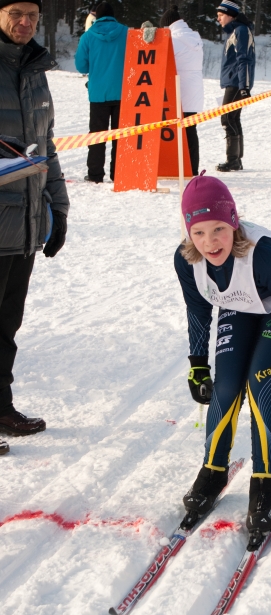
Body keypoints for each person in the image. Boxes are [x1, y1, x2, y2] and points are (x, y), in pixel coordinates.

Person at [174, 172, 271, 547]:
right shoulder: (188, 262)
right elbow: (198, 314)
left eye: (218, 230)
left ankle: (265, 484)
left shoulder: (262, 254)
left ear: (234, 222)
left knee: (261, 378)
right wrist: (197, 364)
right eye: (199, 233)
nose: (210, 242)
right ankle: (212, 472)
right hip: (241, 304)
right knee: (227, 386)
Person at [0, 0, 69, 454]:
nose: (25, 23)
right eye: (14, 13)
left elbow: (47, 147)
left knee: (6, 326)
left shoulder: (35, 71)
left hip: (24, 225)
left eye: (32, 15)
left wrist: (59, 210)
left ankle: (1, 408)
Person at [75, 1, 128, 183]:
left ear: (96, 16)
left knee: (97, 135)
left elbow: (81, 66)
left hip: (98, 93)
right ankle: (118, 173)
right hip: (123, 93)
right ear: (113, 15)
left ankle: (95, 174)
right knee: (120, 136)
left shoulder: (88, 36)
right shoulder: (126, 32)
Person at [160, 5, 204, 177]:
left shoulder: (175, 40)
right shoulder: (194, 38)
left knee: (178, 132)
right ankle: (192, 168)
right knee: (191, 131)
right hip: (194, 91)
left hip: (180, 91)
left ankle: (178, 167)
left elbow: (163, 61)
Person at [215, 1, 255, 172]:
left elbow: (244, 59)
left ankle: (233, 160)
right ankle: (236, 160)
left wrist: (244, 86)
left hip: (236, 83)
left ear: (230, 15)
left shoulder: (241, 31)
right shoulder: (235, 31)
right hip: (234, 81)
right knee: (233, 118)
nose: (218, 19)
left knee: (227, 118)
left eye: (221, 15)